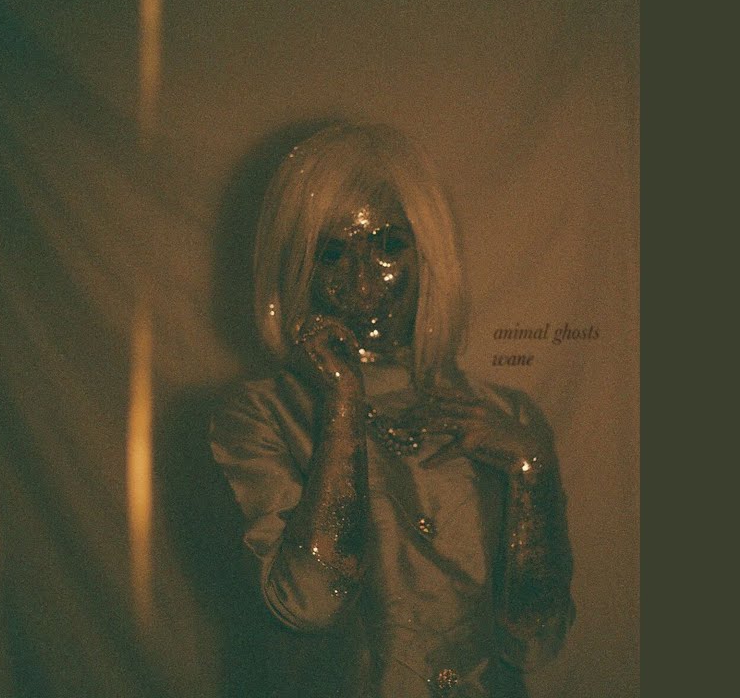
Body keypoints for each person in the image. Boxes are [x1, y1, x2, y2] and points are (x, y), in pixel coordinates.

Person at [209, 123, 574, 697]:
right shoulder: (260, 416)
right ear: (298, 266)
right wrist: (343, 404)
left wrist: (532, 472)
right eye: (332, 253)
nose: (363, 283)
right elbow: (309, 603)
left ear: (428, 252)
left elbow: (535, 641)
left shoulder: (505, 416)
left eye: (387, 246)